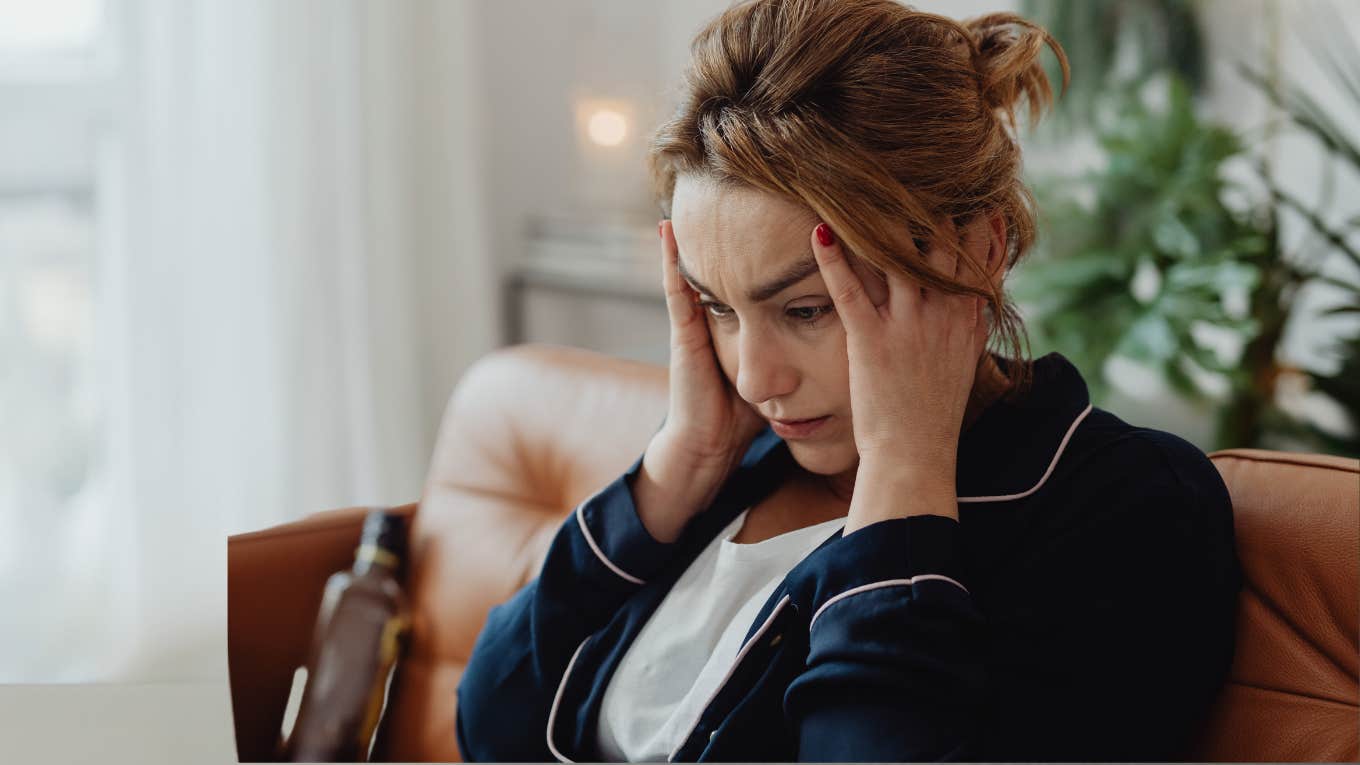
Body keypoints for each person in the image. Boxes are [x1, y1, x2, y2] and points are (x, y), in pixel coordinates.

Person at [455, 0, 1242, 761]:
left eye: (804, 307)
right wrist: (677, 467)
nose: (757, 378)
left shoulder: (1126, 509)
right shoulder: (740, 467)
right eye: (717, 307)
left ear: (978, 253)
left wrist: (905, 468)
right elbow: (490, 724)